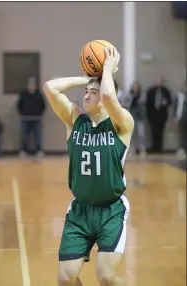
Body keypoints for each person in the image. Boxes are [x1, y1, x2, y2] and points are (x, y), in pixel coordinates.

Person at [43, 47, 134, 286]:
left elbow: (107, 97)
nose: (86, 95)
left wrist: (106, 70)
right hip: (80, 211)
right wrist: (86, 78)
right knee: (65, 278)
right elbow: (50, 88)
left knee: (106, 276)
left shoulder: (121, 123)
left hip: (111, 210)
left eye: (93, 92)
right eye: (85, 92)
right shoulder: (75, 120)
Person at [17, 77, 46, 157]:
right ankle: (24, 150)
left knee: (38, 136)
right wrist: (22, 113)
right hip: (25, 118)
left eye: (33, 84)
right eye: (30, 84)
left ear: (35, 86)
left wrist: (40, 114)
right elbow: (19, 106)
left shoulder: (39, 95)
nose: (31, 86)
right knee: (25, 136)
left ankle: (39, 150)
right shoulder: (23, 95)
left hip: (37, 119)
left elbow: (43, 106)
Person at [146, 76, 172, 153]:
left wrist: (165, 102)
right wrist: (148, 115)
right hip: (153, 115)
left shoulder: (166, 91)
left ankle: (159, 148)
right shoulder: (151, 91)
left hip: (162, 115)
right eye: (158, 81)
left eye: (161, 81)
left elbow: (170, 102)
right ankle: (154, 148)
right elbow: (147, 104)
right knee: (154, 132)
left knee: (160, 132)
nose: (159, 82)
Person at [124, 81, 146, 155]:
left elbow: (143, 104)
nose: (136, 88)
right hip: (131, 116)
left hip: (140, 116)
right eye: (134, 86)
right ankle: (131, 149)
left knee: (141, 133)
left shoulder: (142, 95)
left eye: (137, 86)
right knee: (132, 134)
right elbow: (125, 104)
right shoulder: (129, 95)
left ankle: (142, 148)